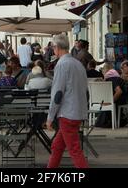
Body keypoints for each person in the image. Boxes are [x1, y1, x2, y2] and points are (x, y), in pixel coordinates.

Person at [46, 34, 89, 169]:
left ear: (57, 48)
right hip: (78, 111)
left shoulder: (61, 64)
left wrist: (50, 117)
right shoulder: (78, 64)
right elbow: (85, 89)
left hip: (67, 113)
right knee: (57, 146)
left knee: (74, 150)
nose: (53, 50)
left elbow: (57, 94)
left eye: (53, 47)